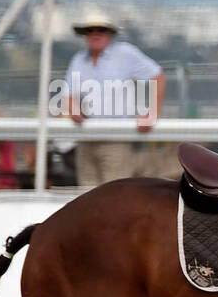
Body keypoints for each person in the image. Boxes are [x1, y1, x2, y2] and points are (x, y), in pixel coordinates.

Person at [66, 11, 167, 185]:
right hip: (86, 138)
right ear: (85, 34)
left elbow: (157, 76)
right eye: (90, 30)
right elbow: (68, 93)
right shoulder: (79, 59)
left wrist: (152, 113)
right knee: (85, 196)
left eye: (101, 30)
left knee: (114, 195)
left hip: (116, 139)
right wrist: (73, 108)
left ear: (110, 33)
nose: (95, 34)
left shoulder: (125, 53)